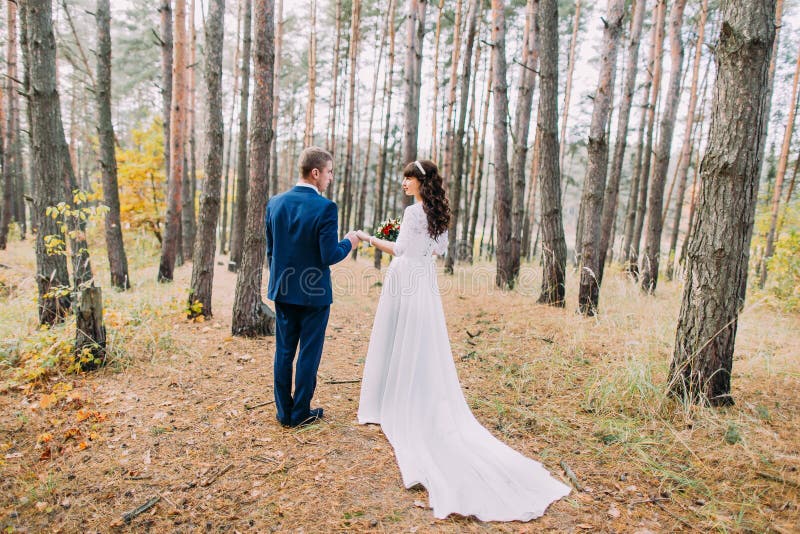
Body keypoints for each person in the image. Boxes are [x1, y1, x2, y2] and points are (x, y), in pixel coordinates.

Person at [354, 160, 570, 521]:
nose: (404, 183)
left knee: (398, 336)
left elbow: (401, 251)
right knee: (421, 342)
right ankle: (412, 392)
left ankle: (392, 400)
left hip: (405, 280)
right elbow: (437, 250)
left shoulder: (412, 214)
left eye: (408, 178)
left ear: (420, 181)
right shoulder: (436, 214)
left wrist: (369, 238)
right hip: (424, 283)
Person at [266, 146, 359, 427]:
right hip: (314, 294)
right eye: (329, 172)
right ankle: (301, 412)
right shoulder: (325, 208)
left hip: (283, 289)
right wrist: (350, 242)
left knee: (284, 351)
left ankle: (284, 413)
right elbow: (329, 255)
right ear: (315, 172)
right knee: (308, 352)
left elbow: (272, 250)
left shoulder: (275, 203)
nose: (330, 178)